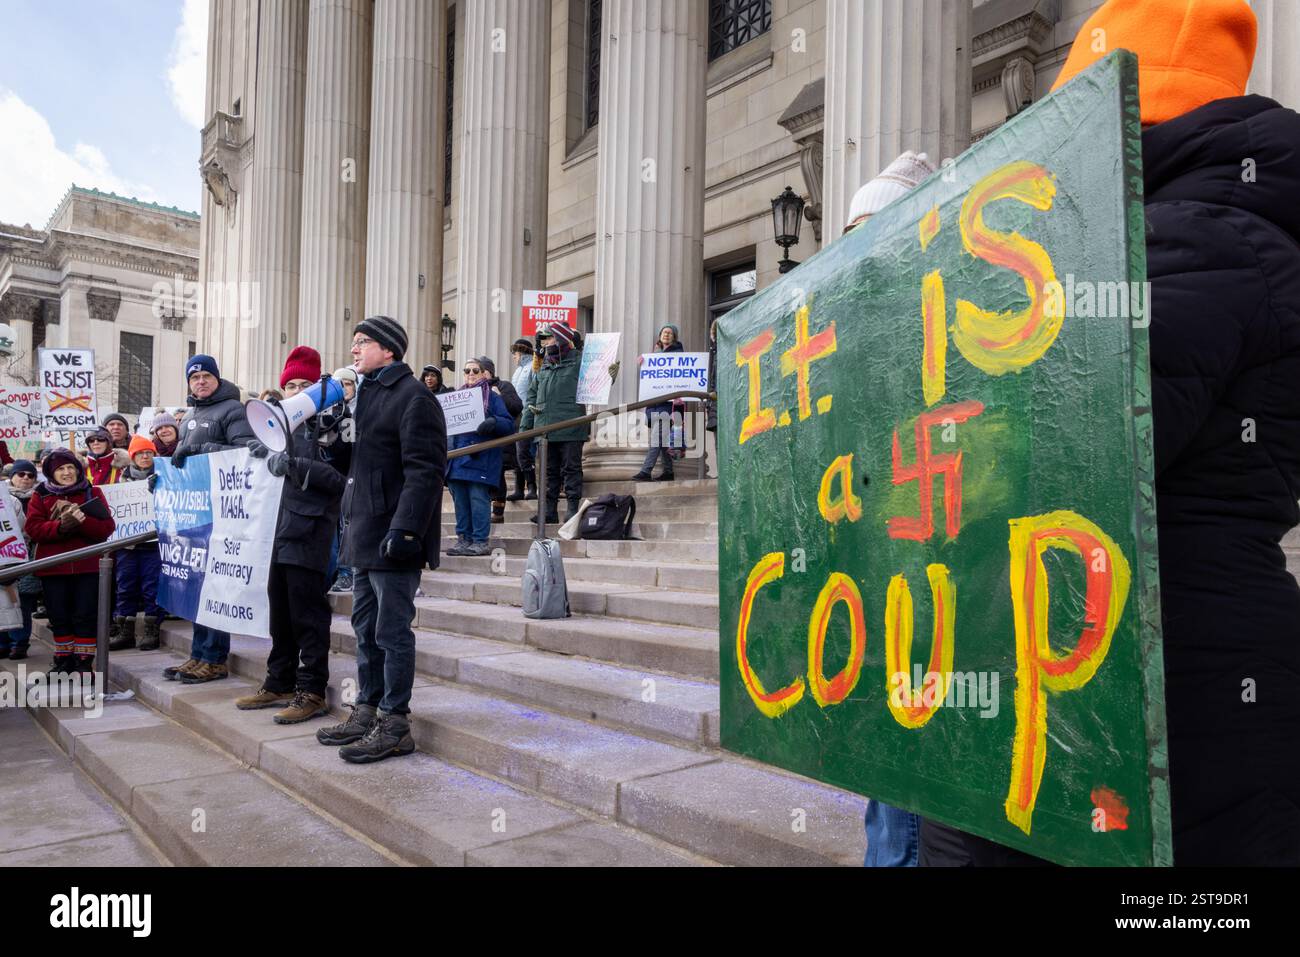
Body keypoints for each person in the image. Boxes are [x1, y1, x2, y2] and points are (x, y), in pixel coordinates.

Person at [921, 0, 1300, 867]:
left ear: (1131, 110)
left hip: (1164, 682)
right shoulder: (1216, 229)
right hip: (1169, 666)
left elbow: (1056, 444)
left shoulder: (1198, 235)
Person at [317, 315, 446, 763]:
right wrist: (331, 437)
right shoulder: (368, 395)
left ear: (388, 350)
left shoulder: (415, 397)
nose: (353, 349)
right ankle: (367, 709)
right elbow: (355, 464)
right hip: (365, 532)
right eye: (354, 342)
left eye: (363, 342)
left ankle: (395, 724)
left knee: (391, 631)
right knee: (365, 630)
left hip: (393, 536)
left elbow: (425, 470)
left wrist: (406, 529)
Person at [237, 346, 351, 724]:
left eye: (305, 385)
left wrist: (295, 465)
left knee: (308, 614)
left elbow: (342, 481)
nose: (297, 392)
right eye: (291, 386)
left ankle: (312, 689)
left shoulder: (336, 425)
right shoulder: (276, 425)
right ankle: (279, 679)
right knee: (280, 612)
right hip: (276, 529)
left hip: (311, 530)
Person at [165, 354, 257, 685]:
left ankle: (215, 658)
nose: (200, 381)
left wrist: (200, 449)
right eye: (194, 377)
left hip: (223, 513)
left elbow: (246, 453)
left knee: (216, 587)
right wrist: (162, 480)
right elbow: (183, 466)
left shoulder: (233, 410)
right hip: (197, 513)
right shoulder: (190, 414)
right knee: (198, 588)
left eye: (206, 376)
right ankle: (199, 653)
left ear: (217, 379)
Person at [24, 449, 116, 673]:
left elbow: (107, 528)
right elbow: (33, 528)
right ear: (51, 473)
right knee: (59, 616)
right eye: (60, 469)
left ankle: (83, 662)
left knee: (85, 615)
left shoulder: (91, 492)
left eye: (70, 467)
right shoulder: (41, 495)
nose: (67, 473)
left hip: (87, 567)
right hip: (54, 568)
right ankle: (63, 660)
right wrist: (61, 526)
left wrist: (81, 522)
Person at [446, 359, 516, 556]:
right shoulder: (456, 397)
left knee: (478, 500)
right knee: (460, 501)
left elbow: (508, 424)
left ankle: (479, 540)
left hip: (481, 457)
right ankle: (463, 539)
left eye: (475, 370)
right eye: (466, 370)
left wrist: (493, 421)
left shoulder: (492, 397)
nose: (470, 373)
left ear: (484, 373)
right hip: (457, 458)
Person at [520, 323, 586, 524]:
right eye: (544, 339)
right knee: (549, 471)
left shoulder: (579, 361)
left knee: (571, 468)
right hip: (545, 427)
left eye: (549, 338)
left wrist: (608, 375)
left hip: (571, 426)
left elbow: (596, 383)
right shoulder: (544, 366)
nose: (545, 342)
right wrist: (525, 428)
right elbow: (532, 397)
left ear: (561, 339)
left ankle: (572, 508)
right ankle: (549, 510)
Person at [108, 436, 164, 653]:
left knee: (152, 586)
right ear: (132, 456)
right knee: (125, 586)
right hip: (128, 545)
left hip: (153, 544)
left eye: (149, 452)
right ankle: (125, 631)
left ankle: (152, 629)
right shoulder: (120, 480)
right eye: (140, 453)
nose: (145, 456)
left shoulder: (163, 476)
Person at [632, 324, 686, 482]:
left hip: (669, 406)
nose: (666, 334)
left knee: (656, 438)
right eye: (664, 332)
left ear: (674, 337)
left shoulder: (679, 355)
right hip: (655, 404)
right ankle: (668, 471)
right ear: (660, 335)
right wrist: (644, 364)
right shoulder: (654, 355)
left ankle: (646, 471)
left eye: (670, 333)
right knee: (662, 440)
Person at [0, 460, 40, 660]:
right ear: (12, 476)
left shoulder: (34, 498)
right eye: (21, 474)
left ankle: (20, 643)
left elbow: (27, 530)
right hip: (5, 557)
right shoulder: (6, 497)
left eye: (30, 475)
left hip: (21, 557)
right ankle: (3, 643)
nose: (25, 478)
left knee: (22, 601)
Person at [477, 356, 522, 525]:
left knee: (497, 474)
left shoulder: (504, 386)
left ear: (488, 372)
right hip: (481, 440)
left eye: (480, 370)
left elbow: (516, 407)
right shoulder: (473, 389)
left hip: (500, 439)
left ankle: (498, 511)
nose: (477, 374)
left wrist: (499, 395)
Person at [506, 338, 537, 501]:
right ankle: (519, 488)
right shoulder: (517, 371)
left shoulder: (533, 366)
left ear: (523, 352)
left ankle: (532, 487)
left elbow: (535, 390)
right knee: (516, 452)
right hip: (516, 415)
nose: (513, 356)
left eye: (515, 353)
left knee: (525, 451)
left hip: (528, 414)